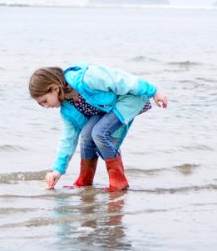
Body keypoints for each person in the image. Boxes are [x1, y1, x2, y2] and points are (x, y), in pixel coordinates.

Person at [29, 63, 168, 191]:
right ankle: (85, 180)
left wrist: (153, 91)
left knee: (99, 133)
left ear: (54, 88)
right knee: (86, 135)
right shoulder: (67, 110)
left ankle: (118, 181)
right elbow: (68, 139)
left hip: (128, 99)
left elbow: (121, 79)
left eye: (44, 101)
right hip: (108, 108)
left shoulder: (86, 78)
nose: (46, 106)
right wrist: (57, 171)